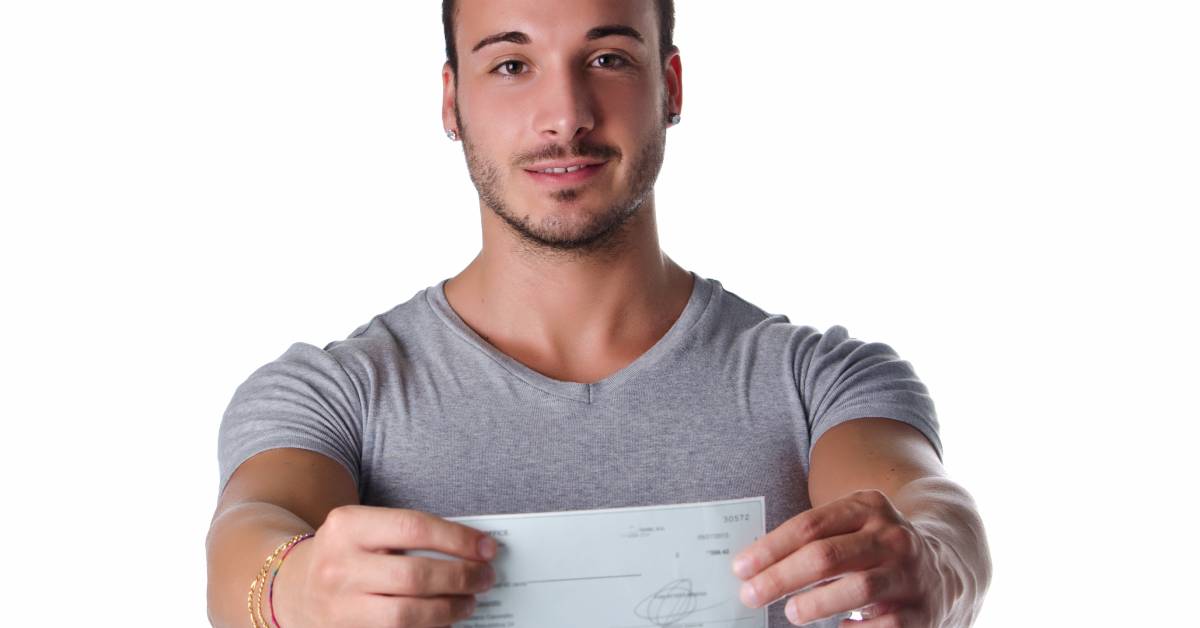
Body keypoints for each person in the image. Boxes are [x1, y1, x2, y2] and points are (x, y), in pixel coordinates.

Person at [205, 1, 992, 626]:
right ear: (452, 100)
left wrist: (940, 562)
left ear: (670, 86)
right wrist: (290, 587)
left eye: (609, 58)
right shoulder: (335, 393)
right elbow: (249, 529)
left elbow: (929, 506)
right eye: (511, 65)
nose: (565, 115)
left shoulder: (818, 380)